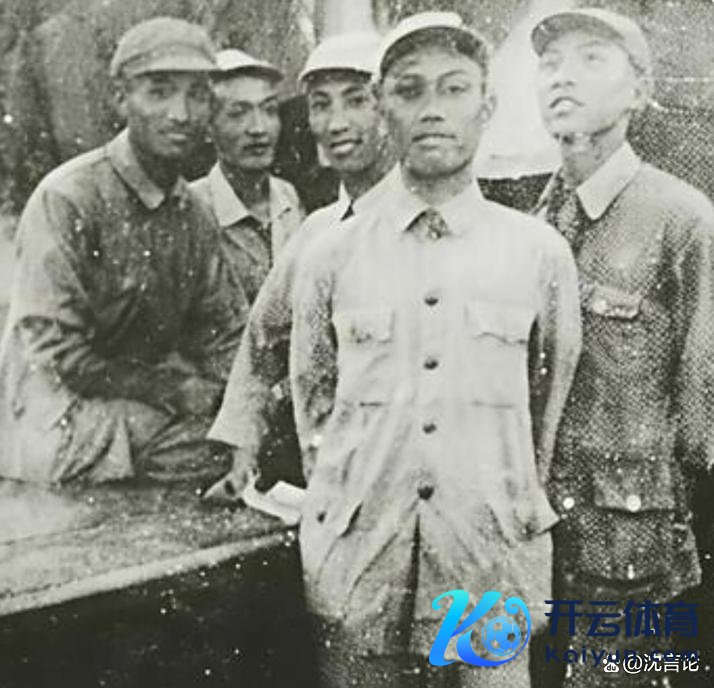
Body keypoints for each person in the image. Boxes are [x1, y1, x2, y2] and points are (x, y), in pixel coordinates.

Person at [209, 12, 582, 688]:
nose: (432, 109)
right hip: (361, 562)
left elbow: (547, 406)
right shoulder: (330, 253)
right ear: (385, 108)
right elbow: (313, 399)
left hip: (489, 560)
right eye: (409, 90)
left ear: (488, 106)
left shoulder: (537, 253)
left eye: (454, 89)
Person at [531, 8, 714, 686]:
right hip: (529, 542)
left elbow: (703, 421)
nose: (563, 77)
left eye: (591, 59)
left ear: (639, 91)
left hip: (627, 553)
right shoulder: (530, 226)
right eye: (550, 64)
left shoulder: (682, 220)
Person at [0, 17, 245, 485]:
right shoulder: (69, 197)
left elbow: (223, 333)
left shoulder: (193, 214)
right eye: (159, 92)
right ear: (120, 99)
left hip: (137, 412)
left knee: (240, 435)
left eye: (197, 95)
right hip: (53, 413)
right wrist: (172, 388)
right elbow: (54, 351)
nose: (181, 114)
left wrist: (243, 399)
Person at [204, 31, 395, 493]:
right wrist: (243, 454)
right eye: (320, 105)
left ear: (391, 107)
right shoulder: (316, 232)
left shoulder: (429, 223)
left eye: (357, 101)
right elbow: (261, 346)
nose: (336, 123)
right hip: (332, 476)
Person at [190, 49, 303, 309]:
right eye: (238, 113)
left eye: (269, 110)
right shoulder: (192, 209)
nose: (258, 128)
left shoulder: (288, 198)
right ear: (208, 127)